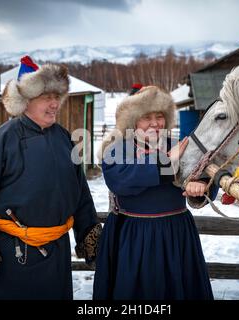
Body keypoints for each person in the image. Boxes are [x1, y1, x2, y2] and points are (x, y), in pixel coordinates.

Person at [0, 56, 102, 300]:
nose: (54, 104)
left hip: (57, 254)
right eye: (47, 97)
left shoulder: (64, 138)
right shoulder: (1, 140)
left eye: (57, 97)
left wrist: (90, 240)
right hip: (12, 257)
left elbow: (81, 196)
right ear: (25, 102)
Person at [93, 86, 217, 300]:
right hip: (135, 237)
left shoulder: (180, 145)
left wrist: (201, 186)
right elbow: (122, 180)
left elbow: (202, 171)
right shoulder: (117, 149)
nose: (155, 123)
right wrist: (169, 161)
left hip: (177, 234)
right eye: (146, 117)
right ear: (133, 121)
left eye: (159, 117)